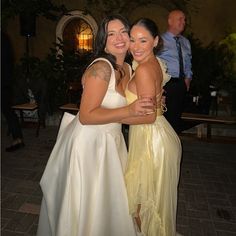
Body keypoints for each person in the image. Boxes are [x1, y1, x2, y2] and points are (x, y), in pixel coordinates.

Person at [36, 14, 155, 236]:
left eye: (123, 32)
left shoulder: (128, 69)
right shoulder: (101, 68)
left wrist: (154, 105)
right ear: (103, 40)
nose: (119, 38)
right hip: (88, 145)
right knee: (87, 204)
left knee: (109, 203)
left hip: (112, 141)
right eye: (111, 34)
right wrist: (129, 110)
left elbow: (118, 115)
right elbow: (86, 116)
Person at [122, 18, 182, 236]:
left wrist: (111, 118)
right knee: (149, 206)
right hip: (155, 135)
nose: (135, 47)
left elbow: (147, 117)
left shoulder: (145, 69)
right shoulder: (151, 63)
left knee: (143, 207)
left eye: (143, 40)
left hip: (152, 143)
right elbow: (153, 100)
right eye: (132, 40)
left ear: (155, 41)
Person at [157, 10, 193, 134]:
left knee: (175, 119)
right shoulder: (159, 40)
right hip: (166, 84)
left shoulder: (185, 42)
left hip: (181, 85)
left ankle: (173, 145)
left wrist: (188, 79)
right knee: (164, 119)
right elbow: (152, 62)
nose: (184, 22)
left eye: (184, 20)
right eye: (180, 19)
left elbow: (188, 61)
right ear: (170, 21)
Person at [1, 31, 25, 152]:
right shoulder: (4, 38)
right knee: (8, 110)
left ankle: (18, 138)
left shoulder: (3, 38)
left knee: (7, 110)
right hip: (6, 81)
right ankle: (18, 138)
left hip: (4, 81)